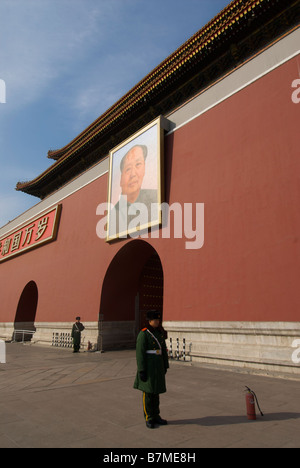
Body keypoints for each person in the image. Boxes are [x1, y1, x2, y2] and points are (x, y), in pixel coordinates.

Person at [109, 145, 158, 237]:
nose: (133, 174)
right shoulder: (113, 216)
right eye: (128, 169)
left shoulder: (155, 198)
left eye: (138, 164)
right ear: (120, 179)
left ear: (144, 169)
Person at [133, 310, 169, 429]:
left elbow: (163, 350)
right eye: (156, 320)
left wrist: (165, 365)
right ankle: (148, 417)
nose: (158, 322)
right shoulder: (143, 334)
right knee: (148, 394)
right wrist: (141, 370)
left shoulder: (159, 333)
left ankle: (156, 415)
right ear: (150, 321)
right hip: (148, 368)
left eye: (159, 320)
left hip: (157, 367)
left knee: (156, 393)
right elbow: (140, 353)